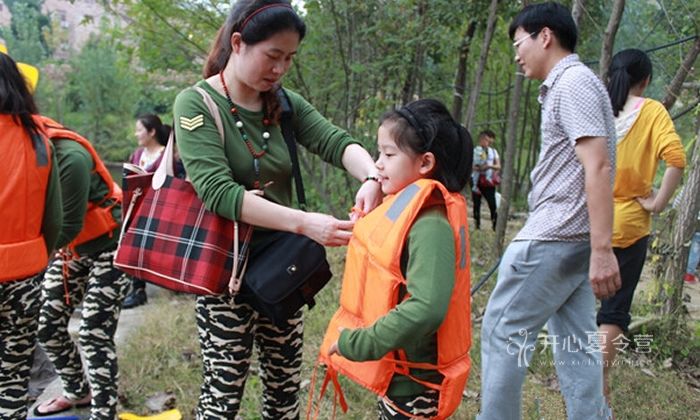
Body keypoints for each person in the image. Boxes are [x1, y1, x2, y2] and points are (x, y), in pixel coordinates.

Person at [172, 1, 382, 418]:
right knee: (222, 394)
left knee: (284, 387)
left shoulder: (284, 103)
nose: (280, 69)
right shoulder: (196, 104)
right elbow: (218, 192)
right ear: (238, 43)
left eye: (289, 58)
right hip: (224, 275)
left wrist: (372, 179)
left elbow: (335, 142)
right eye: (273, 55)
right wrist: (306, 224)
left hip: (283, 267)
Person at [477, 3, 621, 419]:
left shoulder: (572, 83)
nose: (516, 55)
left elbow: (597, 164)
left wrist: (602, 249)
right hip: (572, 245)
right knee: (576, 343)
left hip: (554, 237)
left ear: (545, 36)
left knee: (503, 332)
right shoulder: (577, 83)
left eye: (519, 43)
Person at [323, 99, 472, 419]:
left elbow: (426, 308)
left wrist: (360, 343)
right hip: (400, 381)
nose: (377, 164)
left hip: (417, 388)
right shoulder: (408, 212)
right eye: (379, 153)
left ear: (425, 163)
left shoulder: (431, 225)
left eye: (388, 155)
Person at [597, 48, 686, 404]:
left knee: (573, 302)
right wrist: (657, 202)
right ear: (645, 80)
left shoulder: (597, 109)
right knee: (615, 309)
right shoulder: (651, 111)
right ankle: (598, 381)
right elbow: (676, 159)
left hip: (589, 220)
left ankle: (577, 374)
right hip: (630, 224)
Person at [33, 117, 129, 419]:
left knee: (92, 331)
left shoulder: (69, 156)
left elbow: (69, 224)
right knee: (46, 324)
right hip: (71, 249)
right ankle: (77, 390)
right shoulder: (21, 153)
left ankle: (104, 412)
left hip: (112, 243)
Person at [0, 45, 63, 420]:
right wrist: (43, 258)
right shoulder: (39, 140)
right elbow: (53, 219)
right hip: (25, 278)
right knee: (13, 373)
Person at [122, 114, 171, 309]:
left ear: (152, 132)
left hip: (158, 210)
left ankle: (143, 288)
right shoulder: (137, 154)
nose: (136, 134)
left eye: (140, 130)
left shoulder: (166, 155)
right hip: (137, 209)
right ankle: (137, 290)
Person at [471, 129, 501, 230]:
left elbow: (498, 166)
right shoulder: (475, 151)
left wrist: (489, 166)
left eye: (489, 140)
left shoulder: (493, 152)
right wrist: (477, 168)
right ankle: (477, 225)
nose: (487, 142)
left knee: (492, 204)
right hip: (476, 180)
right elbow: (470, 165)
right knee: (476, 204)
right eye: (485, 139)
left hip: (488, 182)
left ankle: (495, 225)